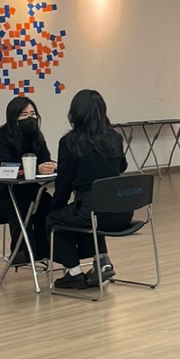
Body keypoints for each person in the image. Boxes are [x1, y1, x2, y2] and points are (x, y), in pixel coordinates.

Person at [46, 89, 130, 290]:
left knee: (55, 219)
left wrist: (56, 206)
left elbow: (64, 184)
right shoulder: (115, 138)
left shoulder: (70, 142)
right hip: (122, 212)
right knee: (93, 210)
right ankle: (103, 261)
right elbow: (122, 166)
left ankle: (74, 273)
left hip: (93, 211)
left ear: (75, 113)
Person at [0, 95, 57, 261]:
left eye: (33, 114)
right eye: (24, 115)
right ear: (13, 117)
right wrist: (34, 168)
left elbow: (44, 159)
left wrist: (50, 166)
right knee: (20, 205)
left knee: (46, 202)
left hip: (24, 191)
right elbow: (3, 168)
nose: (30, 118)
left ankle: (43, 250)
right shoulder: (0, 138)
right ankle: (22, 252)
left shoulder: (37, 137)